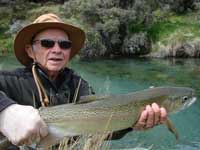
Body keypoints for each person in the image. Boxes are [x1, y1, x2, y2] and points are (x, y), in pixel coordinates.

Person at [0, 13, 167, 149]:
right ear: (30, 51)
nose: (57, 49)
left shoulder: (80, 86)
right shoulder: (10, 81)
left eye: (64, 44)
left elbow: (101, 127)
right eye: (47, 43)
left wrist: (132, 122)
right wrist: (6, 110)